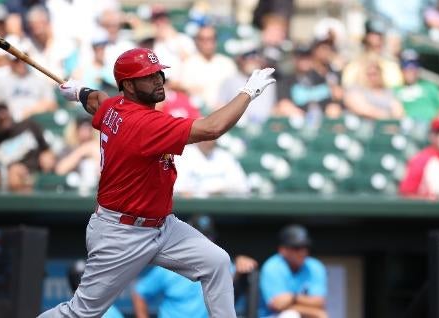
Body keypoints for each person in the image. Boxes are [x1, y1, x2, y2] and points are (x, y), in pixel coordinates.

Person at [42, 47, 275, 317]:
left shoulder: (115, 106)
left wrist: (81, 91)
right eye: (148, 76)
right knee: (81, 312)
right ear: (128, 85)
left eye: (158, 73)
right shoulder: (143, 123)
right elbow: (212, 128)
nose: (157, 80)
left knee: (217, 262)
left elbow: (96, 100)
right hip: (121, 232)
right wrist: (248, 93)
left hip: (162, 226)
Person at [132, 215, 258, 318]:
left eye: (208, 236)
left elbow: (232, 281)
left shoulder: (220, 263)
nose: (205, 241)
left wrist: (242, 262)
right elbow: (140, 293)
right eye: (199, 235)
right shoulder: (168, 265)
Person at [0, 103, 55, 192]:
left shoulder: (29, 126)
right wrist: (6, 175)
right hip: (10, 188)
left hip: (37, 176)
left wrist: (47, 156)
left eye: (4, 110)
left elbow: (47, 150)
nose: (2, 115)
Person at [259, 224, 328, 318]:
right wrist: (314, 312)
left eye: (305, 247)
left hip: (302, 315)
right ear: (282, 250)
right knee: (291, 315)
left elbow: (319, 302)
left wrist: (293, 298)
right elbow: (277, 305)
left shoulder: (315, 266)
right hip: (272, 315)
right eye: (297, 248)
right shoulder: (272, 266)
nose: (302, 252)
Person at [0, 53, 57, 122]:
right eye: (17, 60)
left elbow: (52, 105)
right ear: (10, 62)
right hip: (12, 124)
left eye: (24, 60)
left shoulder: (40, 81)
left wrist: (31, 111)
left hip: (37, 121)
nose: (21, 64)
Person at [180, 25, 237, 110]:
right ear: (197, 41)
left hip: (225, 112)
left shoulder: (227, 63)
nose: (207, 42)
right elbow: (183, 88)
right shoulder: (188, 63)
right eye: (202, 39)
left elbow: (235, 90)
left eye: (211, 38)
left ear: (216, 41)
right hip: (198, 113)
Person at [174, 139, 250, 197]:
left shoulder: (225, 156)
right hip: (191, 209)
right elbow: (179, 189)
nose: (209, 140)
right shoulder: (184, 154)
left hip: (223, 207)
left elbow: (243, 186)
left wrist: (222, 191)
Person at [393, 50, 439, 123]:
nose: (410, 69)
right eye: (406, 64)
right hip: (409, 128)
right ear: (401, 69)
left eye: (414, 64)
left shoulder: (430, 86)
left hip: (432, 127)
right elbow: (397, 114)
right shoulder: (396, 90)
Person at [55, 116, 100, 190]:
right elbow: (60, 170)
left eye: (89, 128)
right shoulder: (69, 148)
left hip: (96, 191)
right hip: (72, 191)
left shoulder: (98, 146)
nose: (86, 132)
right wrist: (82, 151)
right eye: (82, 128)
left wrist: (95, 152)